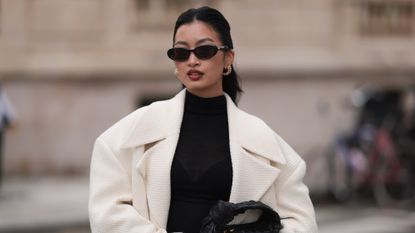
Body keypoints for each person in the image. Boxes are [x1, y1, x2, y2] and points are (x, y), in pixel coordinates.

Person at [89, 6, 317, 233]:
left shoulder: (263, 139)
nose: (192, 60)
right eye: (181, 52)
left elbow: (302, 222)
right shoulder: (137, 129)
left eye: (204, 50)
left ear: (228, 58)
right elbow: (106, 211)